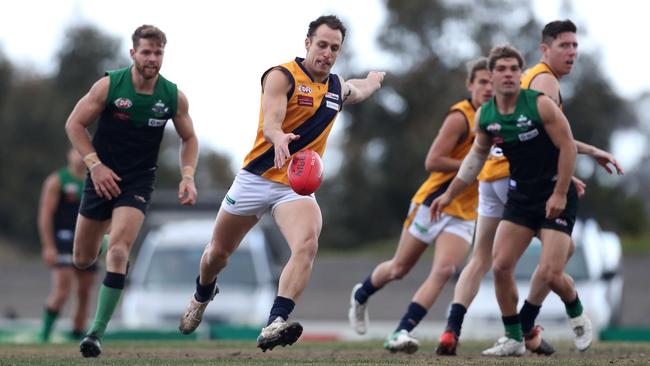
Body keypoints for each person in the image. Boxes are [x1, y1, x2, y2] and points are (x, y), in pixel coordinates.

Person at [178, 15, 384, 352]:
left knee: (307, 243)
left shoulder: (335, 87)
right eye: (322, 45)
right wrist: (277, 137)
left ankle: (276, 321)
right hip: (257, 177)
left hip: (295, 186)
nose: (327, 53)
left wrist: (374, 80)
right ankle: (202, 293)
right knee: (217, 253)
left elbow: (356, 90)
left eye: (335, 48)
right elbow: (272, 119)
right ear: (307, 43)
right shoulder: (281, 75)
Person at [434, 19, 623, 356]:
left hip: (554, 194)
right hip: (520, 195)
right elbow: (476, 158)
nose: (508, 74)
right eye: (502, 70)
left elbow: (564, 145)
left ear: (520, 73)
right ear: (491, 76)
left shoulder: (538, 102)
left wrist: (562, 191)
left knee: (552, 271)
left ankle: (575, 309)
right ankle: (514, 336)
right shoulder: (488, 115)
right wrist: (448, 195)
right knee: (500, 265)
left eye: (513, 69)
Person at [65, 25, 199, 358]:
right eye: (146, 52)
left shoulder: (172, 96)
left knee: (121, 252)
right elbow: (74, 124)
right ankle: (105, 243)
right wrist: (95, 165)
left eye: (158, 53)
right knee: (82, 259)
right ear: (133, 54)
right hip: (100, 177)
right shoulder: (110, 85)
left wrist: (187, 175)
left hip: (138, 181)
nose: (152, 59)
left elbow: (190, 138)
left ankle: (95, 334)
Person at [346, 57, 492, 354]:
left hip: (464, 211)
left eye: (493, 82)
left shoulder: (502, 118)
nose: (489, 88)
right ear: (470, 85)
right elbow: (432, 160)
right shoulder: (461, 117)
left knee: (444, 271)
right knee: (399, 268)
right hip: (432, 202)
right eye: (482, 82)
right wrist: (473, 165)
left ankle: (401, 332)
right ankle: (361, 294)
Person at [37, 147, 100, 342]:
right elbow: (45, 215)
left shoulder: (95, 179)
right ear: (69, 154)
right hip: (63, 240)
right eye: (76, 152)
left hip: (87, 239)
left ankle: (77, 334)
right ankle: (45, 335)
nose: (81, 157)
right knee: (63, 288)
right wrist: (48, 246)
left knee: (85, 290)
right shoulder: (58, 181)